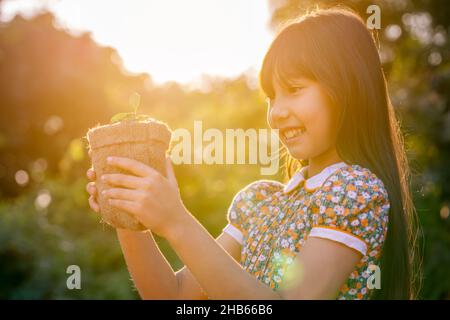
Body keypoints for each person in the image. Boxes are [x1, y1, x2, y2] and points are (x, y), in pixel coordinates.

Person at [86, 6, 419, 299]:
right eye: (271, 97)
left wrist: (176, 220)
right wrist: (128, 213)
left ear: (349, 89)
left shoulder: (355, 192)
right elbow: (171, 295)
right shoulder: (259, 201)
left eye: (295, 89)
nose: (277, 113)